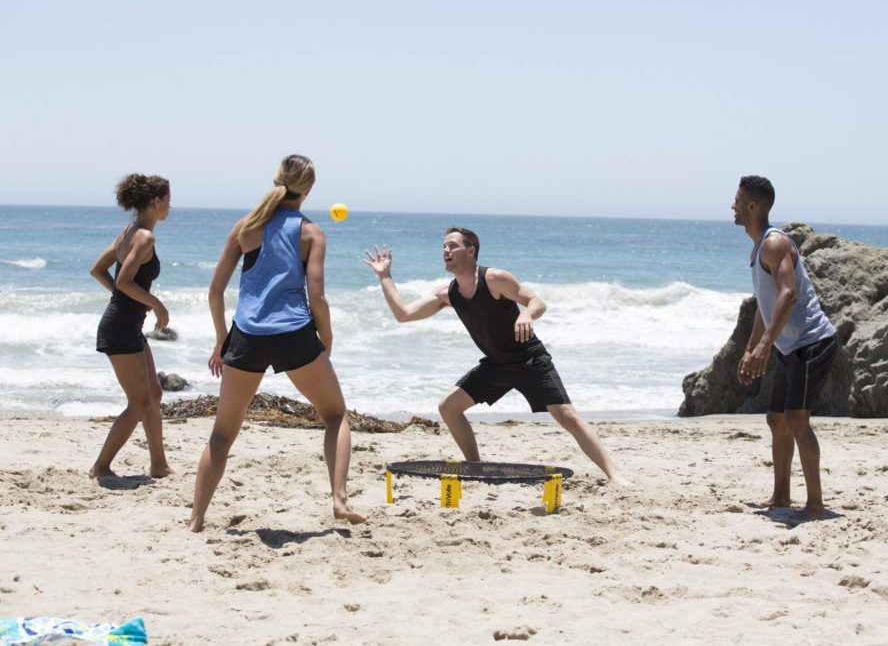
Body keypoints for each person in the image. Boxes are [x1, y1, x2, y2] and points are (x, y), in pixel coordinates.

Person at [363, 227, 629, 485]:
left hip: (529, 360)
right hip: (496, 364)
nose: (446, 250)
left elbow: (537, 301)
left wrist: (526, 313)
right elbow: (404, 314)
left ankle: (613, 474)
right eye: (444, 246)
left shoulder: (495, 279)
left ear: (471, 250)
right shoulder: (448, 293)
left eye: (452, 245)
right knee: (449, 407)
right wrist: (385, 276)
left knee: (566, 415)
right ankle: (475, 467)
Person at [187, 154, 365, 532]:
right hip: (294, 334)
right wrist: (326, 339)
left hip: (247, 336)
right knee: (335, 415)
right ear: (310, 189)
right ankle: (339, 498)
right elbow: (317, 298)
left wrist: (222, 340)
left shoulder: (245, 227)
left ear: (276, 180)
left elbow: (215, 293)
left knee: (222, 433)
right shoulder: (311, 233)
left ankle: (196, 519)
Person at [732, 175, 839, 518]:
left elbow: (788, 295)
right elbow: (767, 307)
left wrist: (766, 345)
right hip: (790, 347)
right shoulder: (757, 248)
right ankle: (780, 497)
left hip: (813, 341)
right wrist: (752, 348)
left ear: (753, 205)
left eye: (737, 200)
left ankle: (816, 505)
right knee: (776, 419)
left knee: (795, 418)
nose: (732, 206)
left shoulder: (774, 243)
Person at [89, 173, 174, 479]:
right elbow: (124, 281)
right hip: (120, 328)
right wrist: (155, 303)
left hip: (127, 325)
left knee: (154, 394)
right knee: (138, 401)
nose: (169, 206)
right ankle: (100, 466)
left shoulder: (129, 232)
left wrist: (126, 298)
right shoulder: (144, 237)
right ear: (155, 201)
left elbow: (98, 270)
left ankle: (159, 465)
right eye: (167, 199)